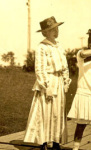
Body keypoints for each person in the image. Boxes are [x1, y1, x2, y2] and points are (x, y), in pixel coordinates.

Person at [24, 16, 71, 150]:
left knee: (58, 112)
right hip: (48, 82)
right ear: (45, 32)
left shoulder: (59, 46)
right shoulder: (42, 47)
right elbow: (39, 68)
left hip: (59, 82)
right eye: (52, 30)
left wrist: (66, 81)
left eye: (56, 28)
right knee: (45, 112)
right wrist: (46, 86)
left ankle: (56, 141)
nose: (56, 32)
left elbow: (65, 66)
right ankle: (43, 142)